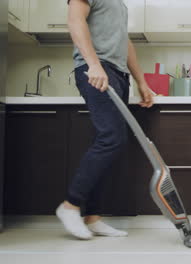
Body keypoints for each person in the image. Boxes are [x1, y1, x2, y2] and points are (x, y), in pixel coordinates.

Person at [56, 0, 154, 240]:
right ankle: (70, 205)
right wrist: (93, 64)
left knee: (109, 141)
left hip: (118, 74)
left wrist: (141, 81)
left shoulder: (119, 4)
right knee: (112, 138)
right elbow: (75, 21)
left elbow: (125, 42)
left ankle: (93, 217)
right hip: (98, 70)